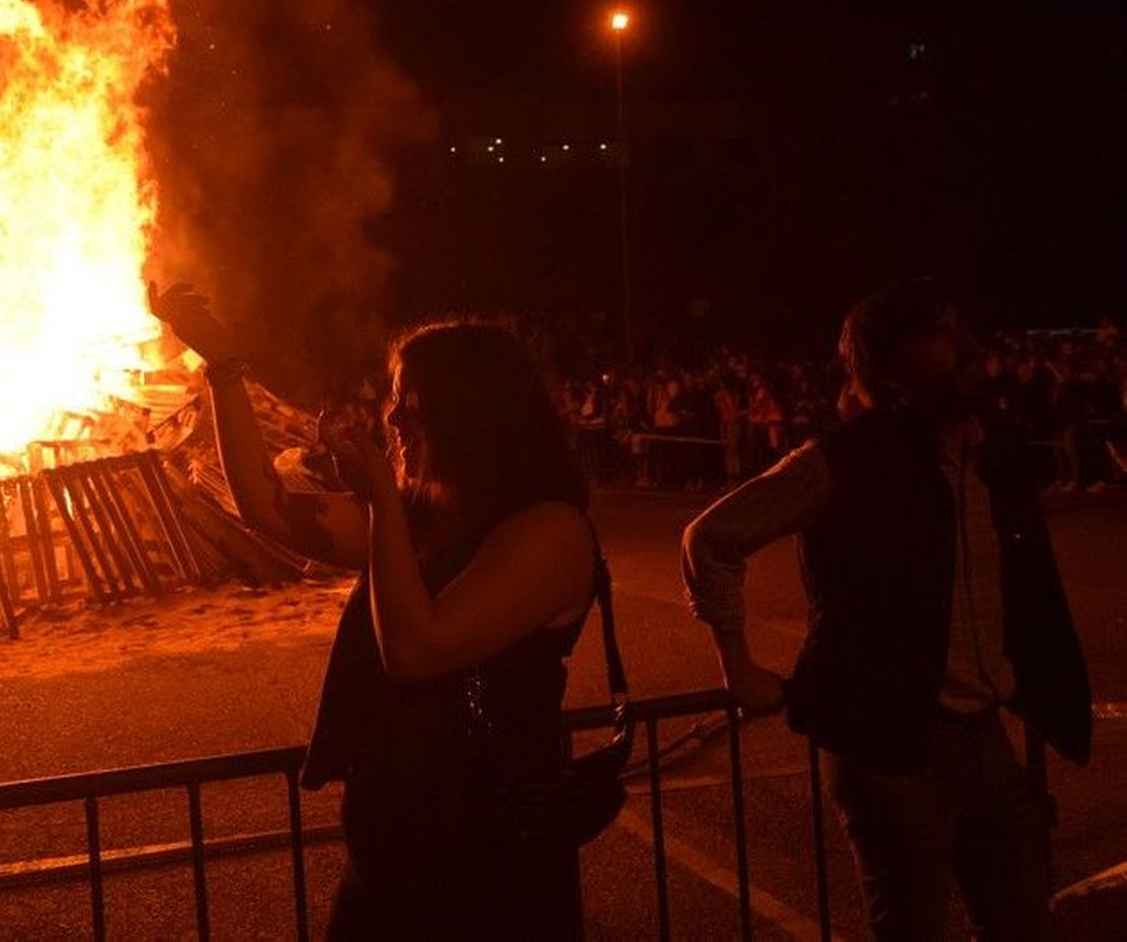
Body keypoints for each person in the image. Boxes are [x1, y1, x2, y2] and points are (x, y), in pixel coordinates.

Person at [150, 283, 598, 940]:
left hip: (490, 874)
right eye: (393, 400)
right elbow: (264, 503)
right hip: (393, 863)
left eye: (409, 402)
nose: (392, 420)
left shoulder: (549, 530)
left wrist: (384, 501)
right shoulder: (421, 521)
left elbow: (418, 649)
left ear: (472, 411)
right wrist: (223, 364)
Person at [680, 279, 1091, 941]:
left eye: (962, 323)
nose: (966, 343)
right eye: (939, 332)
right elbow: (713, 537)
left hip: (988, 737)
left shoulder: (992, 448)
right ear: (891, 363)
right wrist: (738, 664)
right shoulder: (844, 459)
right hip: (892, 752)